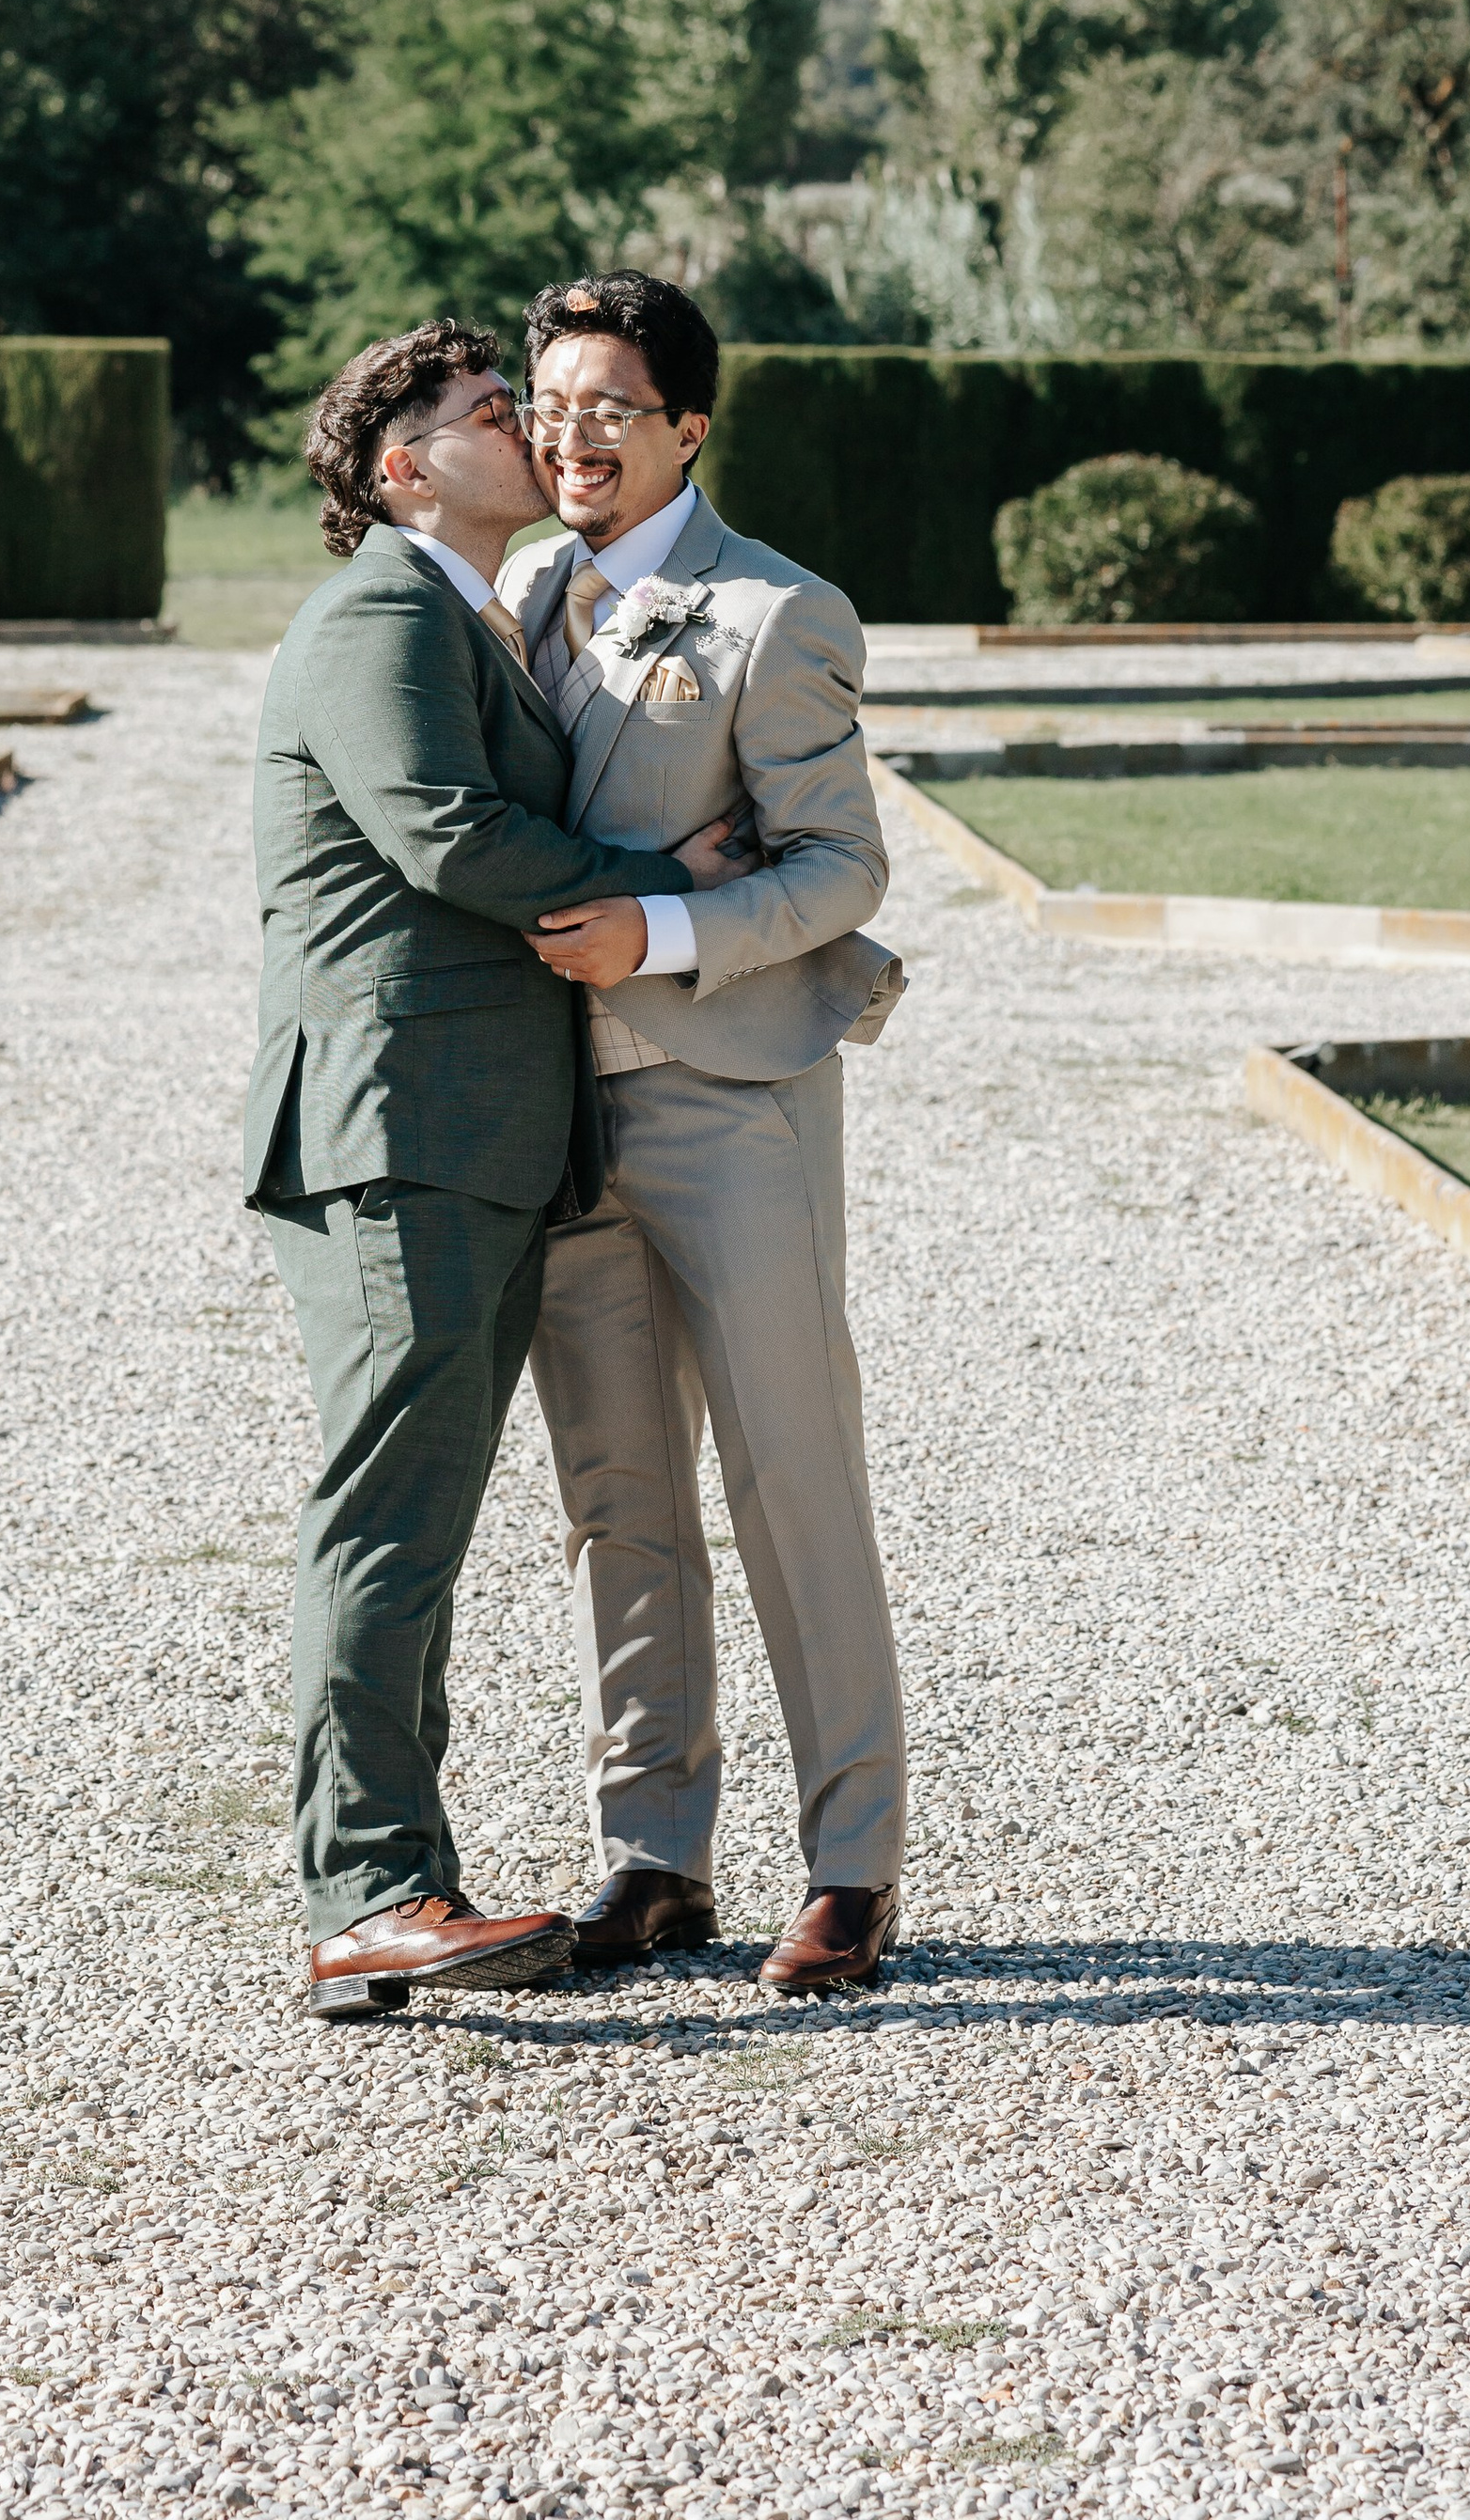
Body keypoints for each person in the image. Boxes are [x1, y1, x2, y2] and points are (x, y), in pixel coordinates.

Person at [246, 317, 743, 2021]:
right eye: (482, 411)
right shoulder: (385, 612)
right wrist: (652, 868)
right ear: (402, 469)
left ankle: (390, 1886)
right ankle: (370, 1891)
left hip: (466, 1137)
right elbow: (446, 829)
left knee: (421, 1513)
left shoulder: (475, 614)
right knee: (388, 1511)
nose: (523, 425)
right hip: (402, 1129)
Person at [497, 272, 910, 1996]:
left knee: (786, 1471)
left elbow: (843, 869)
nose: (571, 434)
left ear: (687, 429)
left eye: (609, 406)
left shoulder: (776, 613)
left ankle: (852, 1868)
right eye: (551, 403)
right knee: (617, 1490)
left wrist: (661, 934)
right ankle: (653, 1852)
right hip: (553, 1107)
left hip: (731, 1098)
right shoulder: (516, 589)